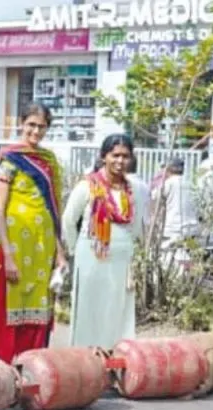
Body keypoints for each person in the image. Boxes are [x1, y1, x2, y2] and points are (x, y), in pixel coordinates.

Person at [0, 103, 67, 363]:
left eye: (41, 126)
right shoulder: (9, 160)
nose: (35, 131)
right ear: (21, 124)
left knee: (39, 309)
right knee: (9, 309)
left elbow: (53, 211)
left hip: (43, 247)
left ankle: (32, 366)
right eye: (31, 124)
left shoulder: (49, 161)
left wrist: (59, 254)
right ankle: (3, 370)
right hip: (14, 245)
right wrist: (6, 254)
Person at [62, 135, 149, 347]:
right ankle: (86, 362)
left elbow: (136, 225)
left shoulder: (133, 189)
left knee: (118, 308)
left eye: (125, 156)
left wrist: (135, 255)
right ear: (104, 157)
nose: (120, 161)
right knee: (90, 309)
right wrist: (76, 251)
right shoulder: (88, 186)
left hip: (122, 258)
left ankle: (116, 359)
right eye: (115, 155)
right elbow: (68, 220)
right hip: (91, 256)